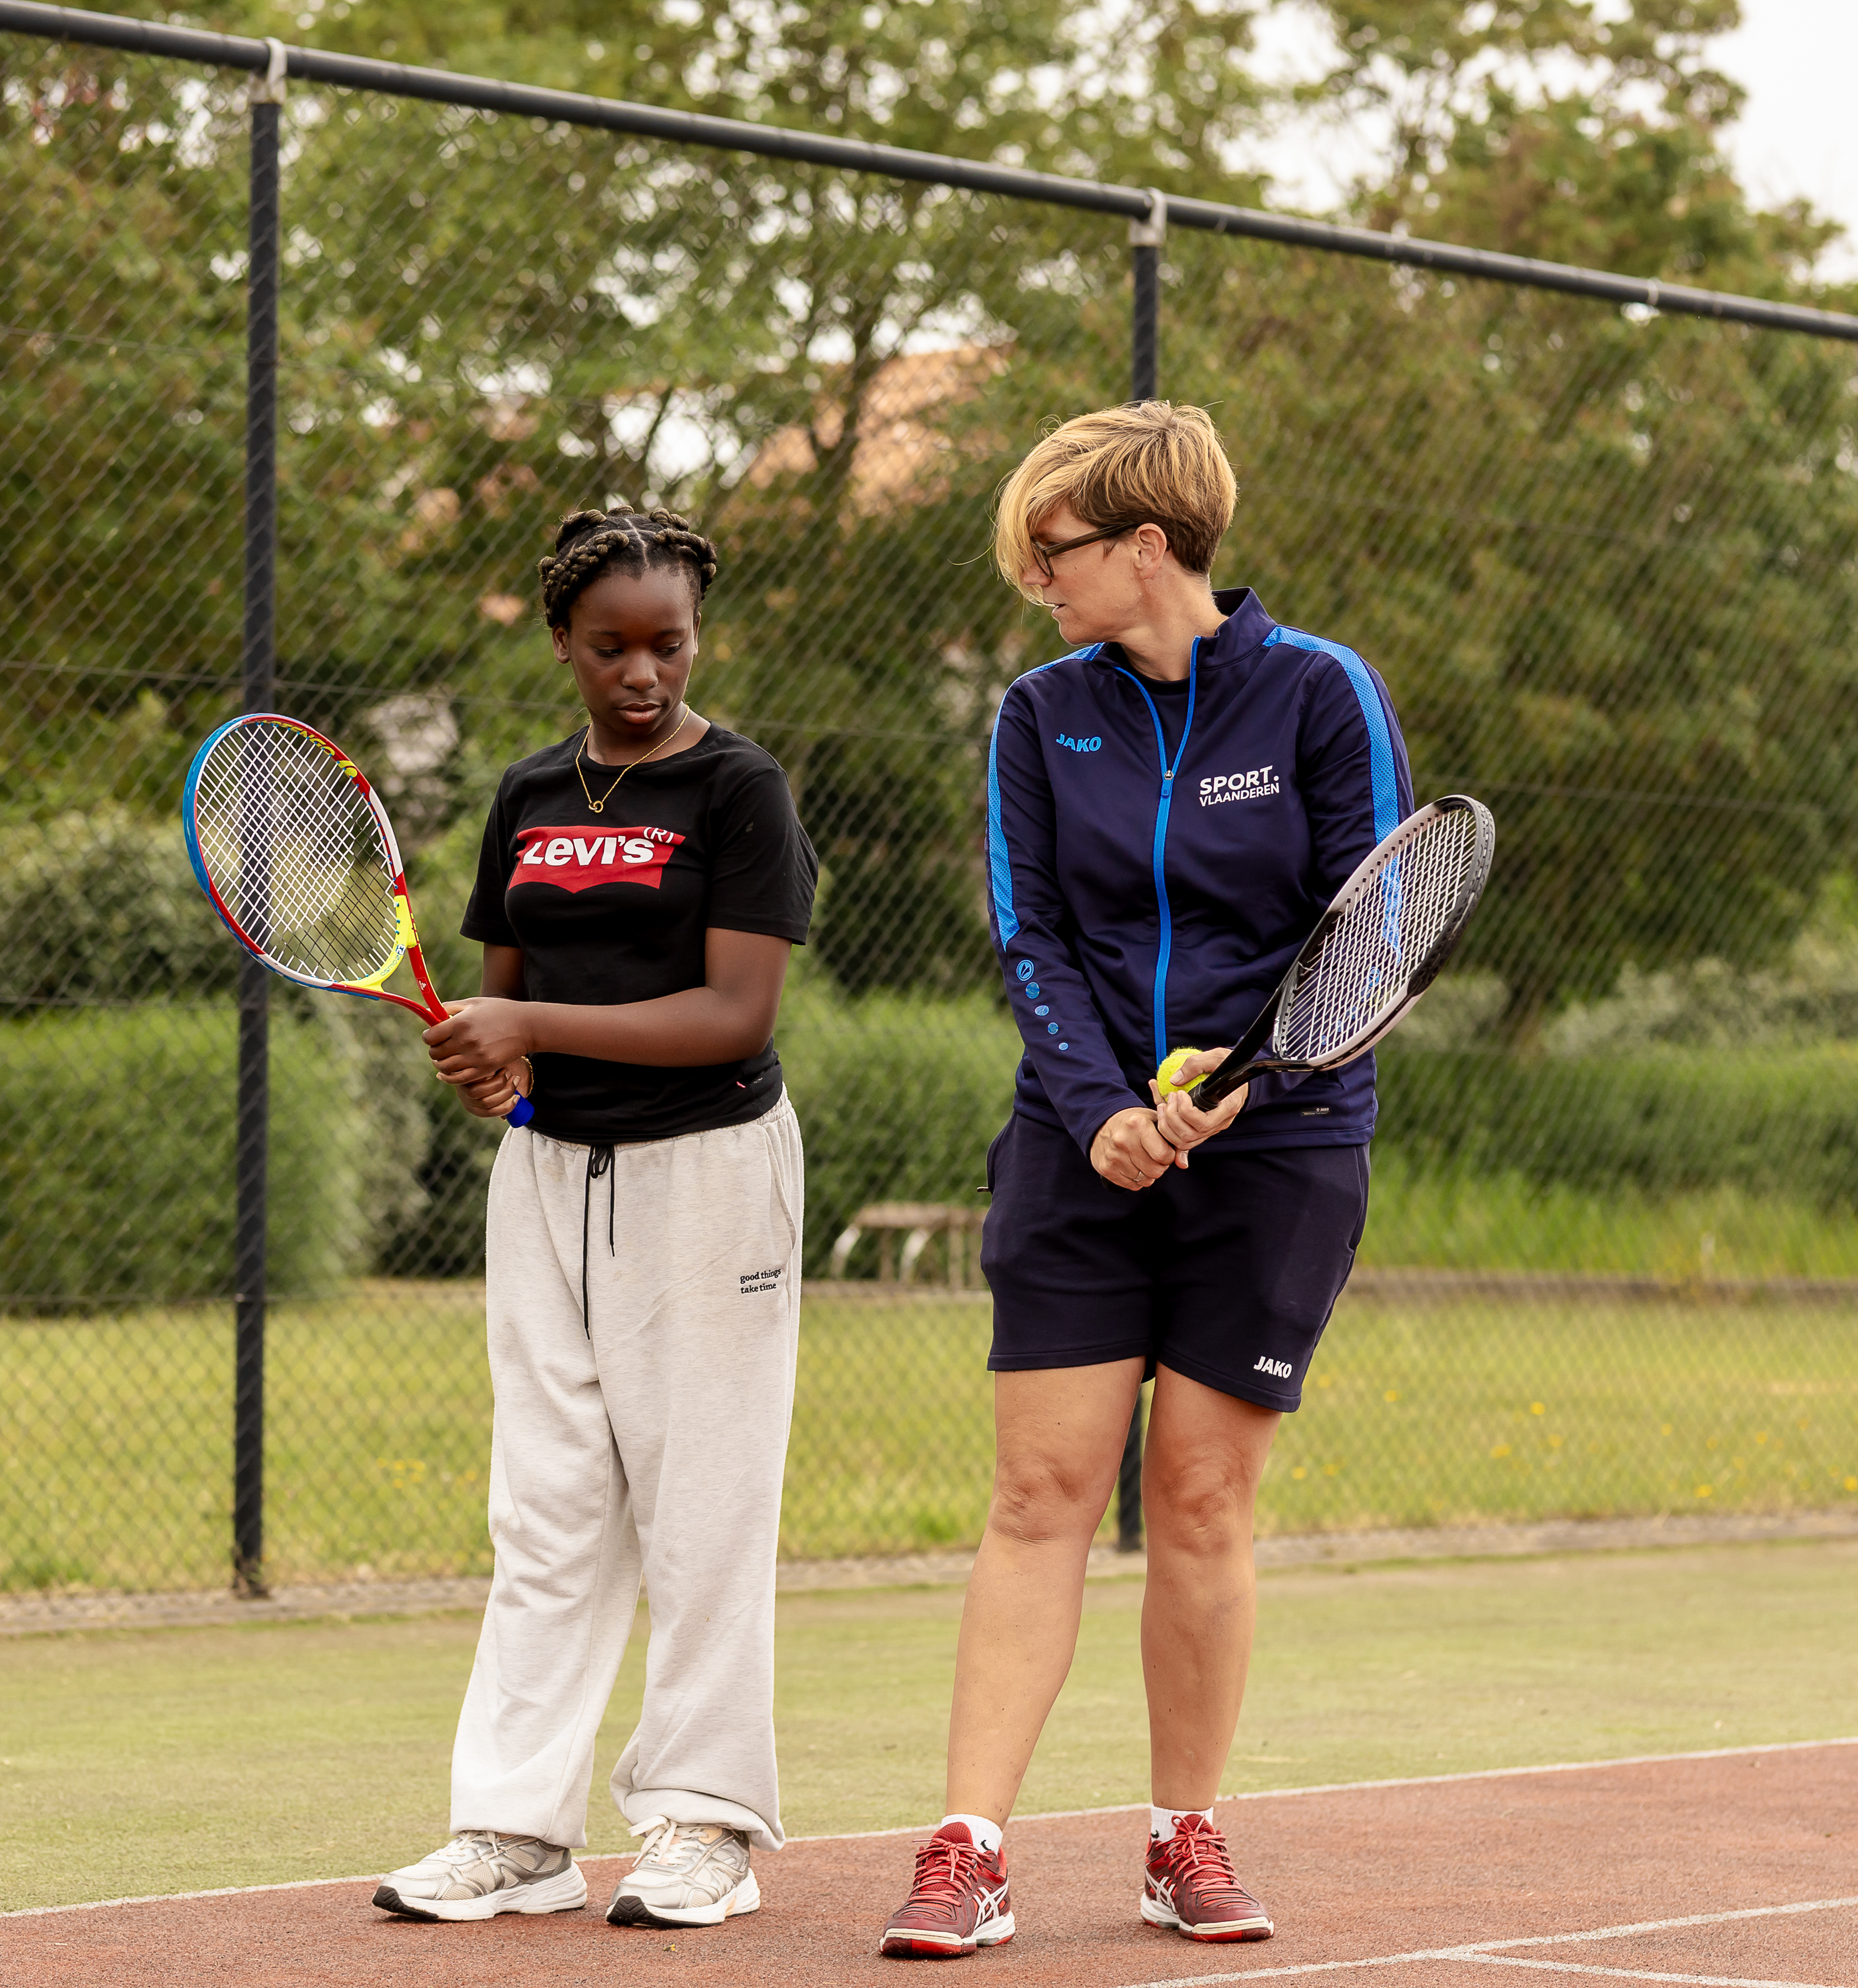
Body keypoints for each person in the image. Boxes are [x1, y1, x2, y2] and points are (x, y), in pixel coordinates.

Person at [877, 404, 1414, 1959]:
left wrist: (1237, 1090)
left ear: (1147, 548)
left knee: (1198, 1493)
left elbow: (1366, 934)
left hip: (1283, 1154)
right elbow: (1029, 936)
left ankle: (1185, 1832)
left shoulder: (1320, 695)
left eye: (1050, 555)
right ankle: (967, 1848)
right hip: (1078, 1143)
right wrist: (1108, 1107)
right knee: (1041, 1491)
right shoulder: (1042, 715)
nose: (1034, 584)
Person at [372, 506, 818, 1933]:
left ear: (697, 637)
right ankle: (515, 1833)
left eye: (669, 644)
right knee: (549, 1509)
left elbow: (732, 1012)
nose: (644, 671)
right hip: (549, 1178)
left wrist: (526, 1021)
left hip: (710, 1171)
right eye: (613, 646)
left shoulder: (740, 790)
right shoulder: (525, 794)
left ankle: (704, 1827)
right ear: (563, 642)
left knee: (702, 1508)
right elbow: (498, 1005)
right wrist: (488, 1067)